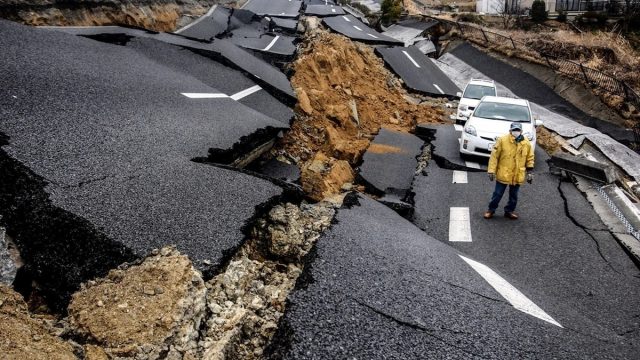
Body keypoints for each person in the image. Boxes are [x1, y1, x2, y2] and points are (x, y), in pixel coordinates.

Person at [484, 122, 535, 220]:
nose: (516, 132)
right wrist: (491, 170)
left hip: (517, 174)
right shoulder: (502, 140)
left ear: (521, 131)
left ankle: (509, 211)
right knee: (497, 194)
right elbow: (494, 157)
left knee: (514, 195)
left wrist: (530, 171)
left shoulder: (526, 143)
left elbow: (530, 157)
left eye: (518, 130)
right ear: (510, 131)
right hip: (504, 172)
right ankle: (491, 210)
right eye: (514, 130)